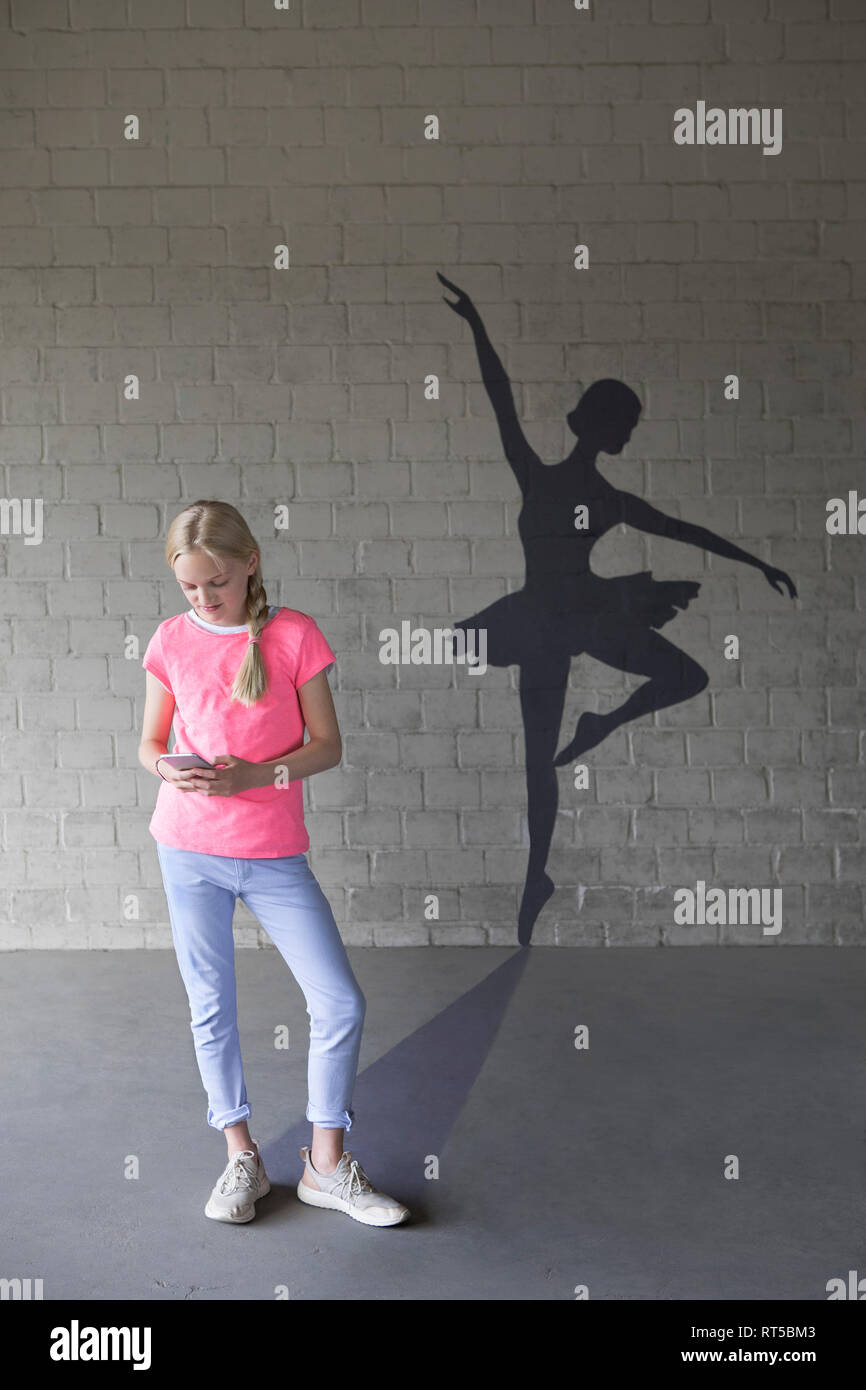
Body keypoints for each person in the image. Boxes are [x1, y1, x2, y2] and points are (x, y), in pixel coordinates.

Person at [437, 272, 797, 946]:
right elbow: (500, 398)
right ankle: (536, 877)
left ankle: (602, 724)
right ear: (604, 424)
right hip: (551, 621)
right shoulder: (556, 482)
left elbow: (684, 530)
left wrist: (758, 562)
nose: (629, 435)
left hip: (567, 617)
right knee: (536, 757)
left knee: (680, 681)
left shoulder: (583, 491)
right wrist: (477, 325)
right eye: (627, 425)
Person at [138, 499, 409, 1228]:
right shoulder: (170, 639)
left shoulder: (294, 636)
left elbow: (326, 747)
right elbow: (148, 745)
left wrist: (253, 778)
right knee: (211, 1005)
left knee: (339, 1002)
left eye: (216, 582)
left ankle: (325, 1165)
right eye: (190, 586)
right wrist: (170, 768)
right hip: (187, 849)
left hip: (271, 855)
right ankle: (241, 1157)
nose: (203, 597)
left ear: (250, 562)